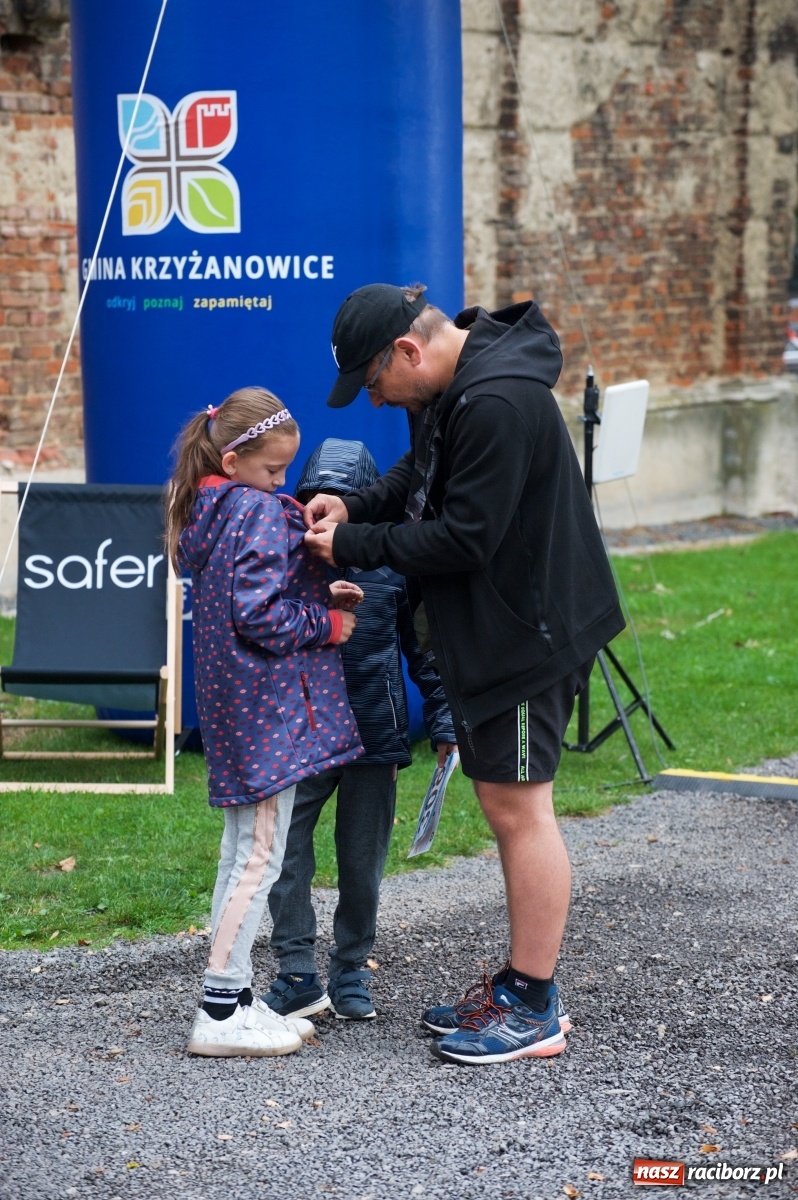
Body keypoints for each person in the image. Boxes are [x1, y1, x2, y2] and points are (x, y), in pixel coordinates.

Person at [303, 284, 625, 1065]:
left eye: (376, 384)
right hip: (500, 629)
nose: (377, 402)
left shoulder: (494, 401)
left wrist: (353, 548)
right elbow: (423, 475)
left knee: (521, 812)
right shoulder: (454, 389)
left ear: (407, 353)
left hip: (526, 635)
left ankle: (535, 1006)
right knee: (506, 803)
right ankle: (520, 987)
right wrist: (354, 505)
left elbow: (463, 538)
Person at [166, 386, 363, 1058]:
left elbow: (252, 597)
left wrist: (314, 588)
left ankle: (238, 996)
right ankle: (221, 1008)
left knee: (240, 851)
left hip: (235, 704)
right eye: (275, 471)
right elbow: (259, 616)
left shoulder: (216, 508)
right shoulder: (251, 508)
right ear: (235, 455)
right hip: (268, 709)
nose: (281, 483)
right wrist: (328, 622)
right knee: (259, 855)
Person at [261, 438, 457, 1022]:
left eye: (345, 502)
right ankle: (296, 970)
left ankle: (350, 967)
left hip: (374, 735)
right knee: (286, 852)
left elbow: (424, 650)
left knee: (362, 862)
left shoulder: (397, 566)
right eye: (319, 501)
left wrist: (445, 718)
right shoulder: (285, 561)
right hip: (304, 735)